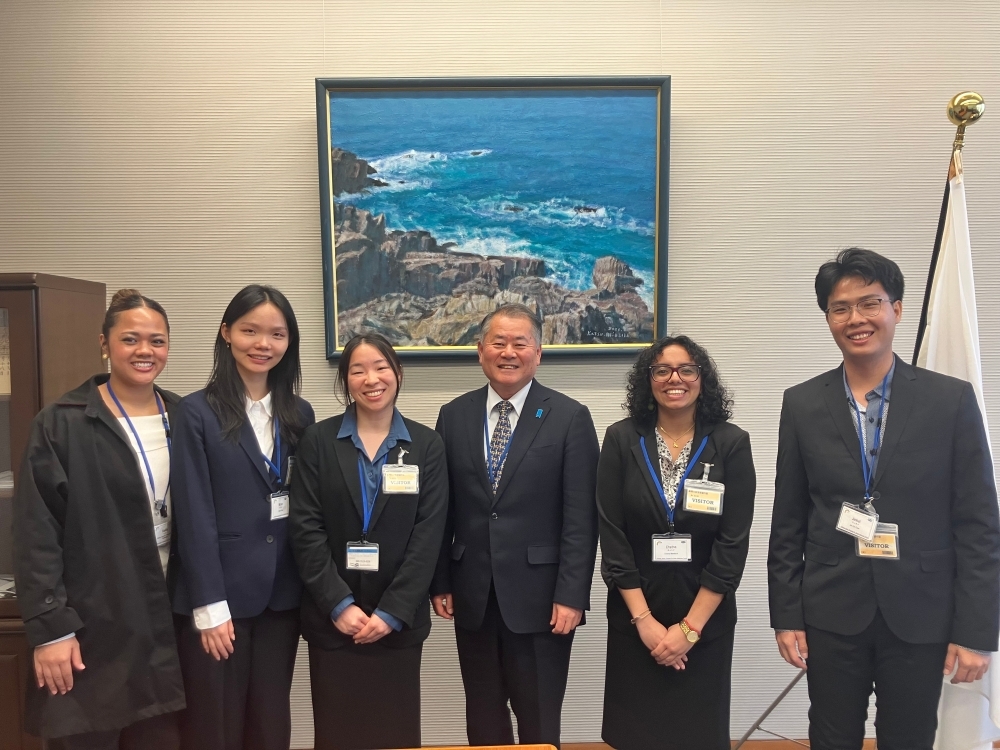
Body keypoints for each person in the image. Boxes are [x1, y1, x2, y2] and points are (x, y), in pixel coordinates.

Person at [767, 247, 1000, 750]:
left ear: (897, 308)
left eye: (870, 303)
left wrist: (978, 630)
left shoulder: (950, 400)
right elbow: (788, 519)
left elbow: (979, 524)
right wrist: (786, 615)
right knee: (831, 737)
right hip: (831, 610)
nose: (856, 319)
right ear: (828, 318)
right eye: (840, 308)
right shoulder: (802, 403)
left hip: (921, 611)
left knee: (910, 738)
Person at [13, 289, 184, 749]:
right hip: (94, 626)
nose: (145, 351)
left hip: (168, 621)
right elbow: (37, 533)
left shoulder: (187, 418)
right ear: (104, 343)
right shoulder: (61, 424)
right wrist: (51, 630)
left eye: (157, 341)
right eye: (130, 339)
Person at [431, 303, 600, 748]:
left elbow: (581, 519)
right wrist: (441, 581)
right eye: (498, 342)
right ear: (480, 350)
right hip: (473, 595)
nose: (509, 352)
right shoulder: (453, 416)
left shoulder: (569, 417)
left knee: (539, 717)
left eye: (520, 343)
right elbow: (441, 510)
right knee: (483, 717)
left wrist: (571, 595)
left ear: (538, 353)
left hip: (543, 599)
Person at [170, 284, 315, 750]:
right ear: (226, 333)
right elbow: (193, 514)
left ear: (288, 342)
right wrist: (209, 607)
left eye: (276, 334)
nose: (263, 344)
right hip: (220, 600)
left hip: (281, 596)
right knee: (216, 724)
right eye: (250, 330)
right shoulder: (196, 413)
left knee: (271, 723)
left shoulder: (299, 413)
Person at [289, 333, 448, 750]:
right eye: (357, 370)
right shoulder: (318, 442)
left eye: (380, 367)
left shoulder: (427, 445)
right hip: (333, 622)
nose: (371, 378)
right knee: (337, 734)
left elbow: (428, 536)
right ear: (345, 380)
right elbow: (305, 529)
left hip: (396, 624)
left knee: (395, 734)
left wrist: (393, 612)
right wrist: (338, 606)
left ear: (397, 373)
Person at [597, 335, 755, 750]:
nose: (675, 379)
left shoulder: (731, 444)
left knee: (697, 733)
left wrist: (690, 629)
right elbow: (612, 535)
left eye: (687, 369)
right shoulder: (621, 439)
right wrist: (644, 622)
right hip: (637, 617)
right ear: (648, 380)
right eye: (662, 369)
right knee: (636, 733)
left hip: (705, 620)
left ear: (702, 379)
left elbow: (732, 544)